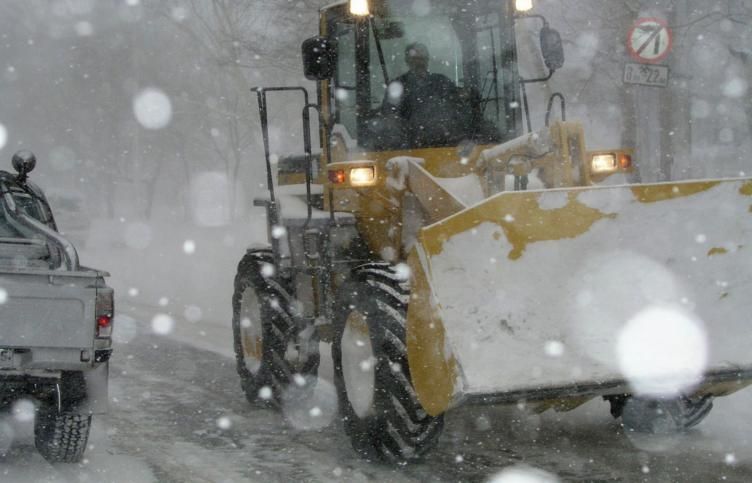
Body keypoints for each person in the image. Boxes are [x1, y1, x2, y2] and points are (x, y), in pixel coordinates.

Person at [382, 42, 463, 148]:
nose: (420, 62)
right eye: (415, 58)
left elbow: (457, 110)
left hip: (444, 145)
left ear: (427, 60)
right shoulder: (397, 86)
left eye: (422, 58)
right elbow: (389, 117)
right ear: (407, 61)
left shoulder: (442, 82)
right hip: (407, 147)